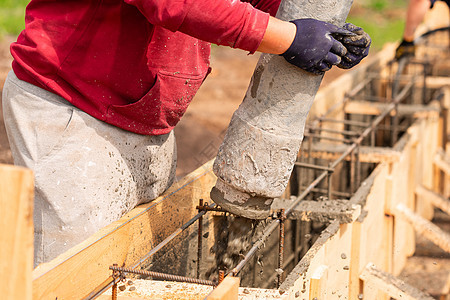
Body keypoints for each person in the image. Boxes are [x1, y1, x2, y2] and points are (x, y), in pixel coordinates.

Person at [2, 0, 370, 266]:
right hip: (71, 103)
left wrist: (304, 22)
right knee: (80, 270)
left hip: (141, 112)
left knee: (137, 261)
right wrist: (288, 36)